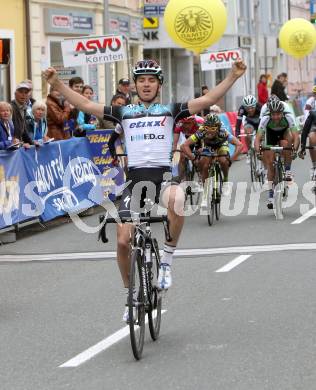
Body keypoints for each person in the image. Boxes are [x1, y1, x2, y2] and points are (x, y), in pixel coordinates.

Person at [43, 57, 247, 321]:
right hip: (135, 183)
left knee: (177, 198)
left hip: (162, 178)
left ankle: (166, 262)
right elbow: (84, 104)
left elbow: (206, 102)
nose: (146, 84)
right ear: (136, 85)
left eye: (151, 80)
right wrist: (57, 82)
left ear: (159, 85)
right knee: (122, 240)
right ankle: (130, 296)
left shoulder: (170, 109)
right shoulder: (123, 112)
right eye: (142, 80)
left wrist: (233, 75)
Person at [181, 113, 242, 203]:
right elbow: (184, 145)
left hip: (221, 144)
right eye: (207, 128)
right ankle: (205, 191)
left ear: (218, 128)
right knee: (204, 164)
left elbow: (239, 145)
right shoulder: (201, 132)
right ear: (204, 127)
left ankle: (225, 182)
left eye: (213, 129)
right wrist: (193, 158)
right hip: (208, 145)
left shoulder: (223, 132)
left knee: (223, 161)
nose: (210, 131)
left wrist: (231, 159)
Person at [255, 100, 299, 209]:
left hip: (284, 133)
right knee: (270, 165)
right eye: (273, 114)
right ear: (270, 114)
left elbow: (296, 136)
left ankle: (287, 170)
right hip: (270, 135)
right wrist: (258, 151)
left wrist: (294, 150)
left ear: (282, 113)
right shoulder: (265, 119)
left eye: (278, 114)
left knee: (286, 144)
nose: (276, 117)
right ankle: (270, 196)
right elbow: (257, 139)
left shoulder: (288, 117)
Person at [173, 115, 204, 180]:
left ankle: (201, 177)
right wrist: (174, 151)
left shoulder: (200, 123)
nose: (186, 126)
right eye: (184, 123)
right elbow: (175, 142)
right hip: (188, 139)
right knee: (182, 156)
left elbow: (204, 139)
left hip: (199, 138)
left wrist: (202, 148)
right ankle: (181, 178)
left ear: (193, 121)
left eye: (188, 123)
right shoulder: (179, 125)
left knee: (201, 156)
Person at [235, 95, 262, 162]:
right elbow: (238, 125)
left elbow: (264, 122)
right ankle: (249, 151)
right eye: (247, 108)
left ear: (255, 105)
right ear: (244, 107)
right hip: (250, 123)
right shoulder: (242, 109)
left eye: (252, 107)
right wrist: (237, 137)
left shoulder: (260, 107)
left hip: (259, 122)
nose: (250, 110)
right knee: (248, 132)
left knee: (261, 136)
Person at [299, 110, 316, 180]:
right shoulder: (313, 114)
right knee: (312, 136)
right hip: (314, 131)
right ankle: (315, 165)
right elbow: (305, 131)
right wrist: (303, 149)